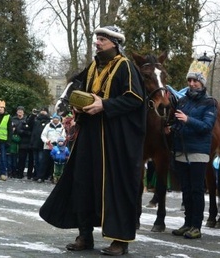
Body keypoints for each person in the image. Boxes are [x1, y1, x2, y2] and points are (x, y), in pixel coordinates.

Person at [39, 25, 146, 256]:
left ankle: (120, 240)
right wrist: (77, 109)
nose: (97, 42)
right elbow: (82, 93)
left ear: (115, 43)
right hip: (89, 136)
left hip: (114, 141)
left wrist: (104, 104)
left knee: (115, 187)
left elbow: (135, 99)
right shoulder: (92, 67)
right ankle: (84, 235)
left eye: (103, 39)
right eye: (97, 38)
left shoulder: (125, 66)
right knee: (82, 183)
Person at [168, 58, 217, 239]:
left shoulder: (210, 103)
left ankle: (196, 226)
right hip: (181, 150)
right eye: (190, 80)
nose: (192, 83)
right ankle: (187, 223)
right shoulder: (182, 101)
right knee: (186, 190)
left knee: (196, 190)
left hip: (198, 152)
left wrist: (188, 120)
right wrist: (171, 128)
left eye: (195, 80)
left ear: (202, 83)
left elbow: (206, 126)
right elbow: (178, 122)